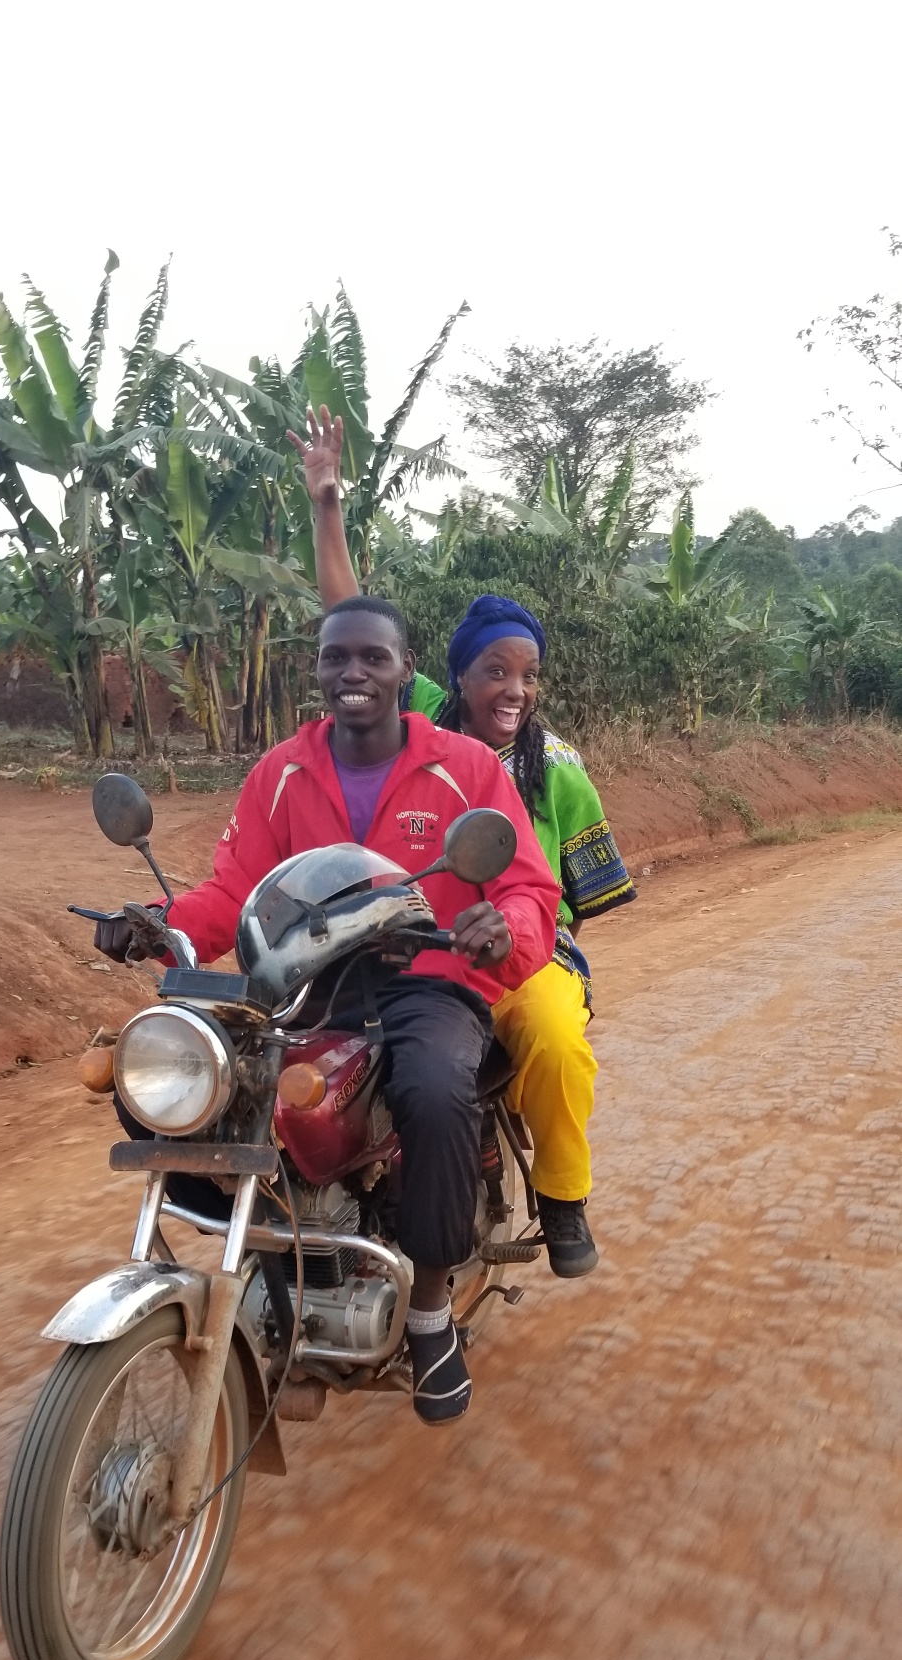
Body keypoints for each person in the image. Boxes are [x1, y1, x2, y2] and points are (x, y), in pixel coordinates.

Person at [96, 594, 559, 1426]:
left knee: (432, 1092)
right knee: (198, 1078)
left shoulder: (465, 767)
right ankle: (277, 1253)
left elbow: (527, 886)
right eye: (335, 657)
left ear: (404, 668)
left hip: (428, 978)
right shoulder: (281, 773)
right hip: (307, 984)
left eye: (373, 657)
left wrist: (502, 928)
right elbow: (232, 888)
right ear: (315, 668)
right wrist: (158, 925)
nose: (354, 672)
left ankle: (429, 1309)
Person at [288, 405, 636, 1278]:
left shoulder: (559, 768)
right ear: (455, 676)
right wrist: (327, 506)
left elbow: (576, 896)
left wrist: (519, 930)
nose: (513, 690)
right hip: (408, 949)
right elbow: (351, 619)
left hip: (522, 953)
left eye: (528, 675)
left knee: (555, 1039)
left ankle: (563, 1195)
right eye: (495, 671)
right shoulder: (422, 732)